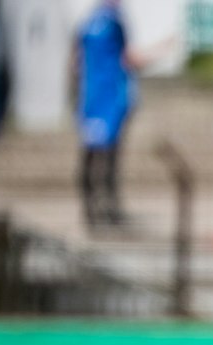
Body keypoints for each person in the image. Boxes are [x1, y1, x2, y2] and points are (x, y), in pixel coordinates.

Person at [72, 0, 138, 230]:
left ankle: (94, 209)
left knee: (92, 155)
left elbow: (77, 62)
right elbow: (129, 59)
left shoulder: (89, 24)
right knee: (106, 156)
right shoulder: (112, 23)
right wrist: (163, 47)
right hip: (108, 98)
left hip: (92, 97)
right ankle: (103, 209)